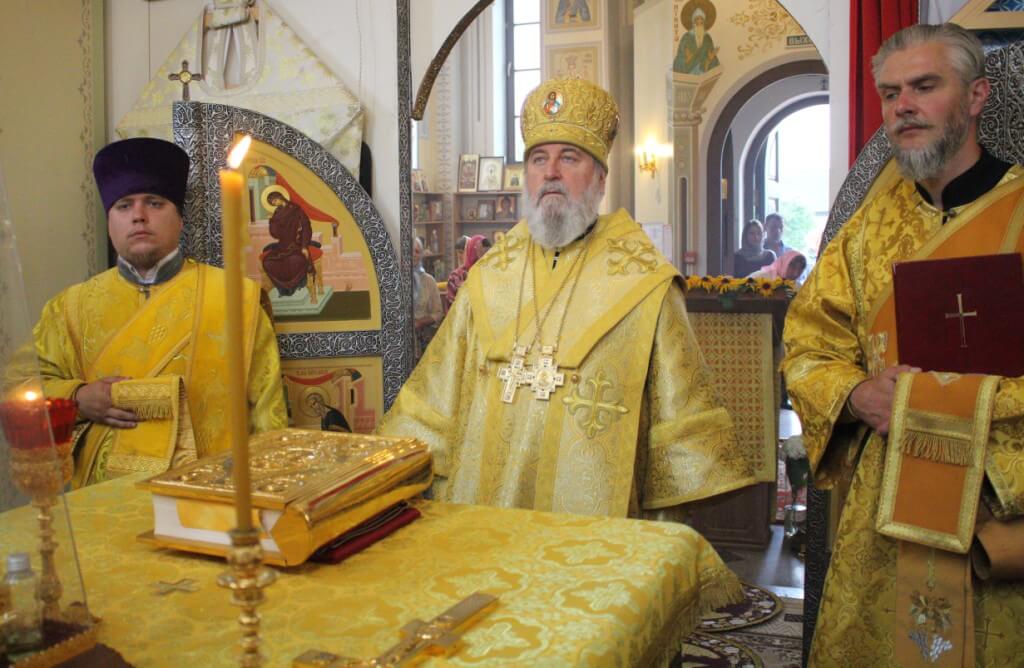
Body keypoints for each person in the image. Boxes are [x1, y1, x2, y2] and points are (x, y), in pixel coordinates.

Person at [378, 77, 753, 518]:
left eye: (568, 158)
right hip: (482, 520)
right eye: (539, 159)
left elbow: (682, 435)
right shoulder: (489, 277)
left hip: (593, 531)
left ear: (600, 178)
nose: (550, 172)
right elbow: (431, 402)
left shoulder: (645, 283)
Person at [782, 24, 1024, 665]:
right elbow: (807, 344)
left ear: (976, 96)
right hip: (884, 506)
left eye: (924, 86)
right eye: (890, 94)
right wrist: (856, 393)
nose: (903, 107)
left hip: (996, 504)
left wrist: (936, 403)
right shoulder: (867, 229)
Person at [22, 138, 287, 487]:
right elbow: (23, 393)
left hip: (212, 493)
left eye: (154, 202)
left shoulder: (236, 298)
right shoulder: (69, 309)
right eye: (123, 206)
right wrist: (78, 398)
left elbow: (269, 416)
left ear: (179, 218)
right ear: (109, 222)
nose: (138, 215)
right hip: (102, 500)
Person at [261, 190, 321, 297]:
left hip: (297, 244)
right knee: (268, 262)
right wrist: (272, 222)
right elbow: (275, 234)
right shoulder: (277, 213)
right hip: (283, 245)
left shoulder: (296, 209)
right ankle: (283, 289)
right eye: (272, 202)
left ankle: (295, 286)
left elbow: (306, 227)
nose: (274, 203)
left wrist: (304, 246)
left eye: (274, 200)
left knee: (295, 260)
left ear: (280, 197)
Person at [412, 237, 443, 360]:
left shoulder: (429, 281)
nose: (414, 254)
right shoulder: (396, 280)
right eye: (410, 251)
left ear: (421, 254)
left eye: (417, 251)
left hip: (423, 340)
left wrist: (420, 322)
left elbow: (438, 313)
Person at [673, 2, 720, 75]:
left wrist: (711, 58)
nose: (699, 21)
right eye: (697, 19)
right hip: (689, 72)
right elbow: (679, 58)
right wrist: (687, 59)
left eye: (701, 20)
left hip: (704, 71)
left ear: (704, 22)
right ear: (693, 22)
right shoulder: (686, 37)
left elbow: (712, 58)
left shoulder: (707, 38)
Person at [444, 235, 487, 309]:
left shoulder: (490, 274)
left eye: (485, 252)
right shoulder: (456, 276)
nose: (459, 256)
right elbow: (452, 306)